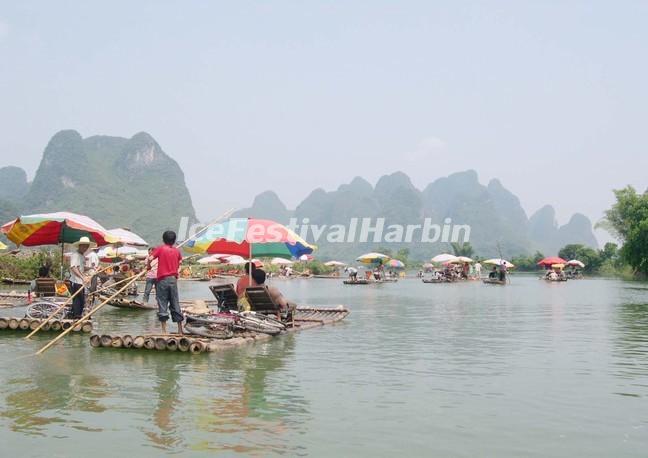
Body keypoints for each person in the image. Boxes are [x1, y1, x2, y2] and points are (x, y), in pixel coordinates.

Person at [148, 231, 184, 335]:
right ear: (174, 240)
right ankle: (180, 330)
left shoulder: (160, 248)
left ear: (164, 239)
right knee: (175, 302)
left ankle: (164, 331)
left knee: (162, 302)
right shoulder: (177, 251)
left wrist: (148, 266)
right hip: (173, 279)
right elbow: (180, 264)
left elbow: (150, 258)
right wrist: (176, 271)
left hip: (162, 280)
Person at [69, 236, 94, 319]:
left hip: (81, 282)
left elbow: (82, 268)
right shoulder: (75, 255)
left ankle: (76, 315)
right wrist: (82, 277)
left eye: (87, 246)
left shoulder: (82, 256)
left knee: (81, 301)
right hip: (75, 282)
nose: (85, 248)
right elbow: (73, 268)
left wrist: (91, 268)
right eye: (84, 246)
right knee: (77, 301)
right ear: (80, 246)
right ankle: (76, 317)